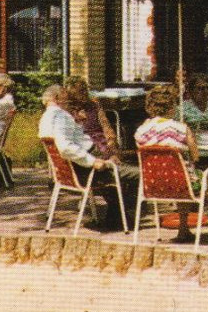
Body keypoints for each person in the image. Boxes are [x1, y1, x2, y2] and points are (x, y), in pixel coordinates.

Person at [38, 83, 135, 230]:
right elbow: (65, 147)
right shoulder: (60, 116)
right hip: (87, 168)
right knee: (138, 174)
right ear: (57, 98)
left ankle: (118, 217)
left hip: (76, 167)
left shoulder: (46, 117)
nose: (68, 100)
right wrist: (92, 161)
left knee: (123, 168)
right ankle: (121, 218)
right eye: (65, 96)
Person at [132, 83, 201, 241]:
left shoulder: (141, 130)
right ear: (172, 107)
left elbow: (140, 147)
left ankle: (184, 230)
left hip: (152, 184)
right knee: (202, 177)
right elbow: (196, 156)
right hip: (180, 184)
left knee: (181, 175)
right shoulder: (181, 128)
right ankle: (188, 227)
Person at [63, 75, 117, 159]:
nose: (85, 93)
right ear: (70, 93)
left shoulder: (94, 105)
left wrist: (111, 140)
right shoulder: (66, 110)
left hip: (102, 145)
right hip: (84, 149)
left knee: (114, 160)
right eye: (81, 91)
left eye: (85, 89)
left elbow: (106, 126)